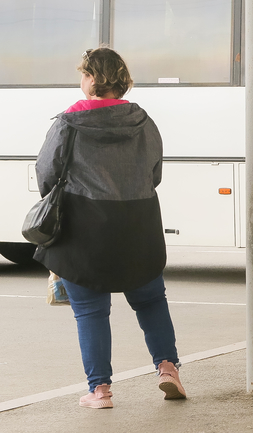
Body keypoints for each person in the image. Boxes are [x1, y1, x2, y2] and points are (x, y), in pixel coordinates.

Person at [34, 47, 186, 408]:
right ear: (122, 80)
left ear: (90, 78)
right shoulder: (143, 121)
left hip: (83, 228)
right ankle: (167, 368)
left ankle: (100, 390)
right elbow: (155, 172)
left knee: (90, 310)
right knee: (150, 300)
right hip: (138, 223)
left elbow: (46, 173)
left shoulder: (68, 123)